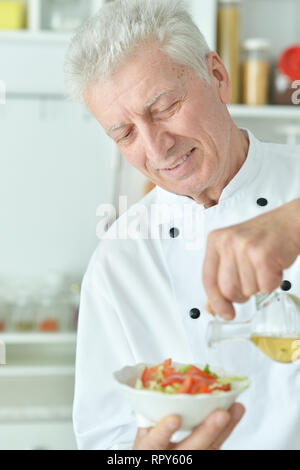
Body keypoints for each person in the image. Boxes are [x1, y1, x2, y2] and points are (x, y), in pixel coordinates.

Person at [65, 0, 300, 450]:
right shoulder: (119, 262)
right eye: (125, 134)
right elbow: (105, 439)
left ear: (217, 76)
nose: (156, 148)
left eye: (165, 107)